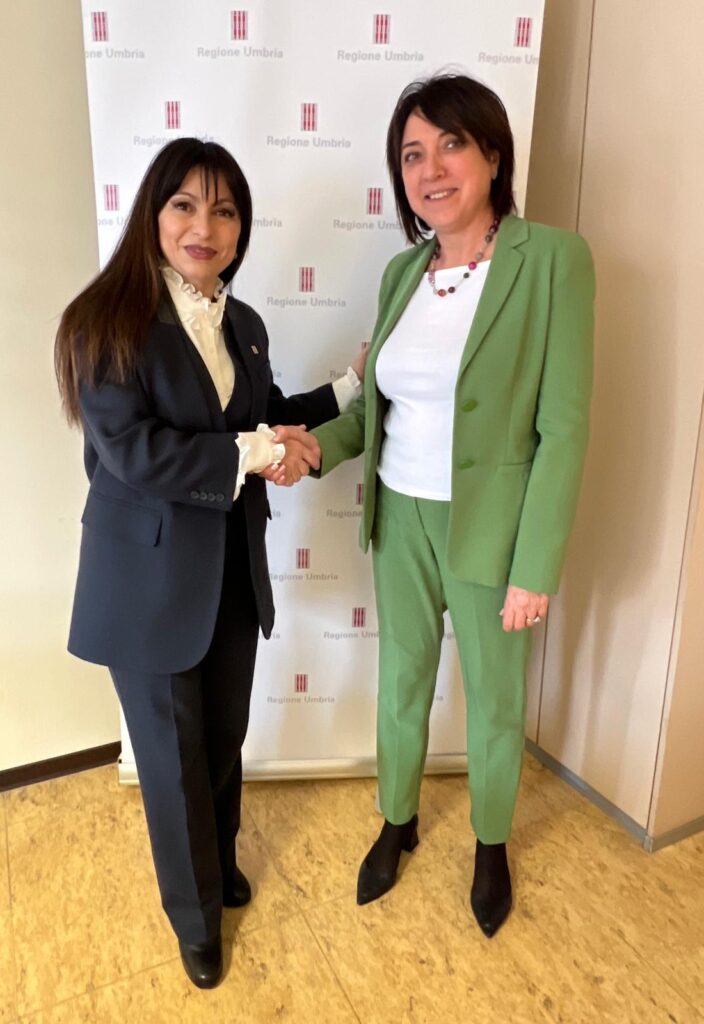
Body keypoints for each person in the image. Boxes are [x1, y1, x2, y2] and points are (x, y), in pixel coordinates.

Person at [54, 138, 366, 987]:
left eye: (225, 211)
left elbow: (265, 416)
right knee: (171, 760)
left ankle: (218, 867)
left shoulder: (245, 325)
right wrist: (257, 451)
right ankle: (194, 920)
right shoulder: (104, 319)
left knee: (222, 740)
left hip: (230, 569)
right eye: (186, 205)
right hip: (147, 585)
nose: (206, 226)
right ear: (152, 215)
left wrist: (345, 390)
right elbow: (135, 452)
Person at [307, 73, 594, 937]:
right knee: (402, 680)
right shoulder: (403, 272)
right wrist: (316, 447)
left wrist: (536, 566)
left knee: (495, 698)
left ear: (493, 155)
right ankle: (397, 820)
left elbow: (564, 429)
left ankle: (491, 842)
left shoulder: (554, 261)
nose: (430, 169)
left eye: (451, 145)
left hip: (492, 531)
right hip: (399, 516)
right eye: (411, 154)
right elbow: (374, 410)